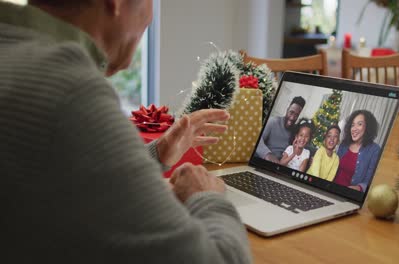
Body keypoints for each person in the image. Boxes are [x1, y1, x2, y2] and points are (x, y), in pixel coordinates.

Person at [0, 1, 251, 263]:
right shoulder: (70, 91)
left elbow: (65, 172)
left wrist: (156, 154)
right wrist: (205, 195)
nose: (150, 17)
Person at [334, 110, 381, 192]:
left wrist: (359, 188)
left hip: (350, 195)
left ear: (368, 127)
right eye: (352, 125)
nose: (354, 129)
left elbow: (370, 180)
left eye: (359, 124)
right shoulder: (344, 144)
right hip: (333, 188)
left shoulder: (374, 150)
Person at [255, 96, 306, 163]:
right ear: (287, 109)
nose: (292, 118)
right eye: (291, 112)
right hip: (263, 161)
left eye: (296, 115)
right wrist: (267, 154)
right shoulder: (273, 122)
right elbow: (258, 139)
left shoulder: (295, 130)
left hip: (279, 165)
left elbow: (303, 143)